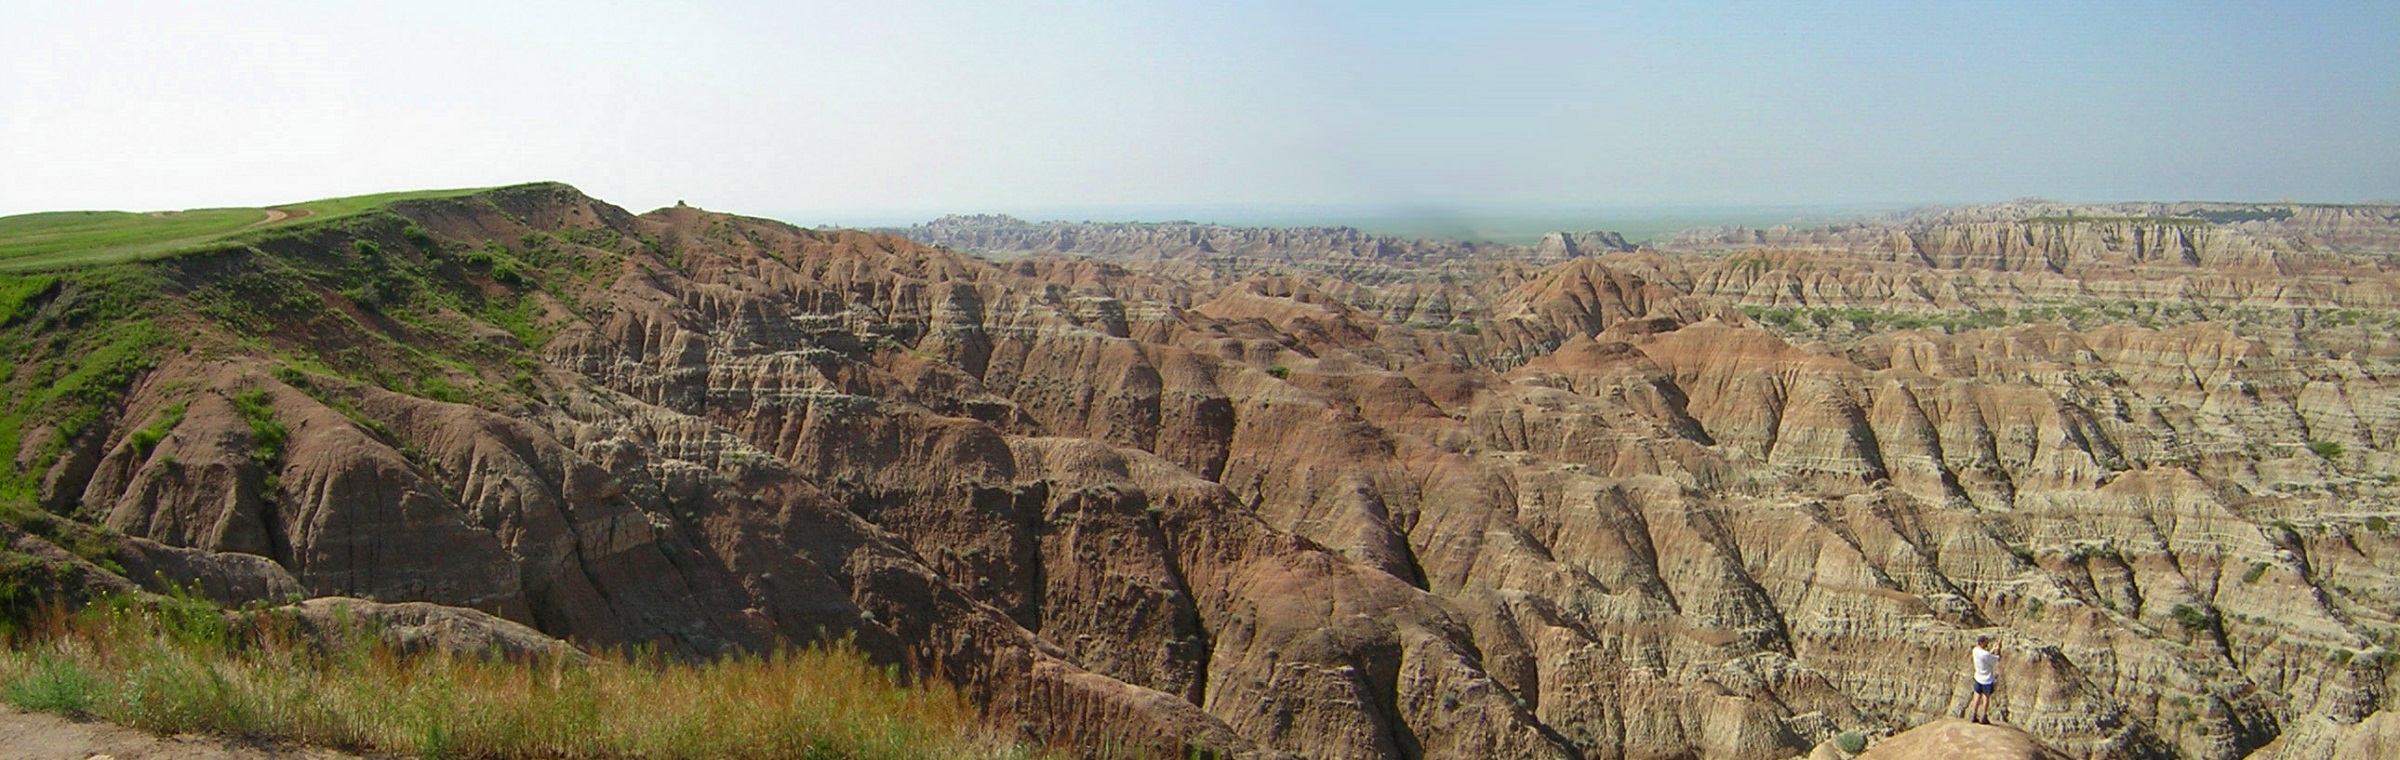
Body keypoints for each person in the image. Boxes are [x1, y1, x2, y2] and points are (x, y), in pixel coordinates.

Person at [1968, 635, 2000, 724]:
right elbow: (1996, 660)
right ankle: (1983, 716)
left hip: (1978, 677)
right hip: (1987, 680)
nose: (1987, 643)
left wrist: (1992, 650)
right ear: (1982, 643)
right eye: (1986, 642)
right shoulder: (1985, 654)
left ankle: (1973, 714)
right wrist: (1997, 650)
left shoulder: (1975, 650)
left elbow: (1986, 657)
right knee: (1986, 698)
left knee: (1977, 695)